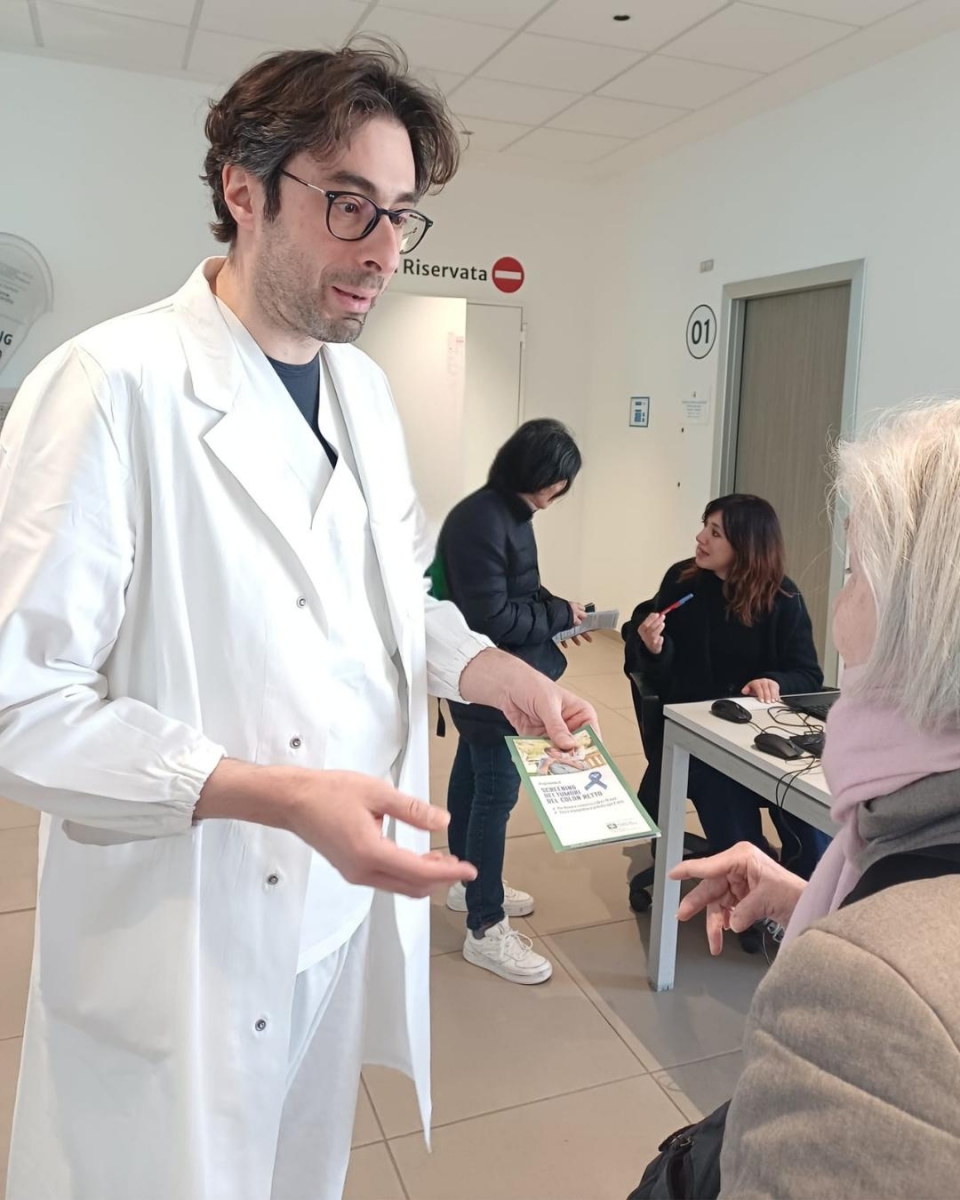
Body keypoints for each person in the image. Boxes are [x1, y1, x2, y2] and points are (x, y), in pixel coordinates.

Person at [0, 46, 597, 1200]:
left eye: (401, 216)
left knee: (298, 1170)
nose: (383, 251)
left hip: (337, 904)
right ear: (244, 189)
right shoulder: (109, 387)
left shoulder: (361, 392)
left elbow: (393, 594)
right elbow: (21, 704)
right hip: (190, 923)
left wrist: (488, 668)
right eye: (348, 204)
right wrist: (272, 795)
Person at [672, 399, 960, 1197]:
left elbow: (915, 970)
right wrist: (813, 904)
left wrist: (851, 948)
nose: (841, 607)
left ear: (921, 617)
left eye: (855, 573)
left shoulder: (865, 997)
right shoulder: (683, 589)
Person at [436, 419, 586, 984]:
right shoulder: (483, 521)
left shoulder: (507, 513)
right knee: (495, 793)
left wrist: (561, 611)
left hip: (498, 678)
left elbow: (519, 590)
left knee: (474, 777)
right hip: (492, 683)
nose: (560, 493)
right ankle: (485, 925)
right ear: (537, 471)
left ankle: (467, 880)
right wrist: (553, 615)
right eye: (559, 481)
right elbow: (493, 619)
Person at [623, 494, 830, 889]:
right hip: (696, 734)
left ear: (745, 545)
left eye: (715, 533)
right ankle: (753, 889)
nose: (700, 537)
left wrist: (775, 681)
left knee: (802, 800)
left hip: (761, 734)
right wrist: (653, 647)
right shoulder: (683, 581)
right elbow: (652, 666)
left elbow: (808, 675)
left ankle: (808, 895)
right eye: (706, 526)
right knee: (726, 793)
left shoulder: (782, 598)